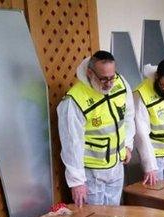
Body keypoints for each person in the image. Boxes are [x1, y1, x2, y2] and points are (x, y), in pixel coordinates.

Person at [57, 50, 135, 206]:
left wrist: (128, 144)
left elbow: (128, 115)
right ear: (90, 73)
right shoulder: (74, 101)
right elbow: (71, 143)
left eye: (112, 77)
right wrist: (77, 182)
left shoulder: (120, 83)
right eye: (104, 79)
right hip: (92, 173)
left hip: (116, 166)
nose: (109, 84)